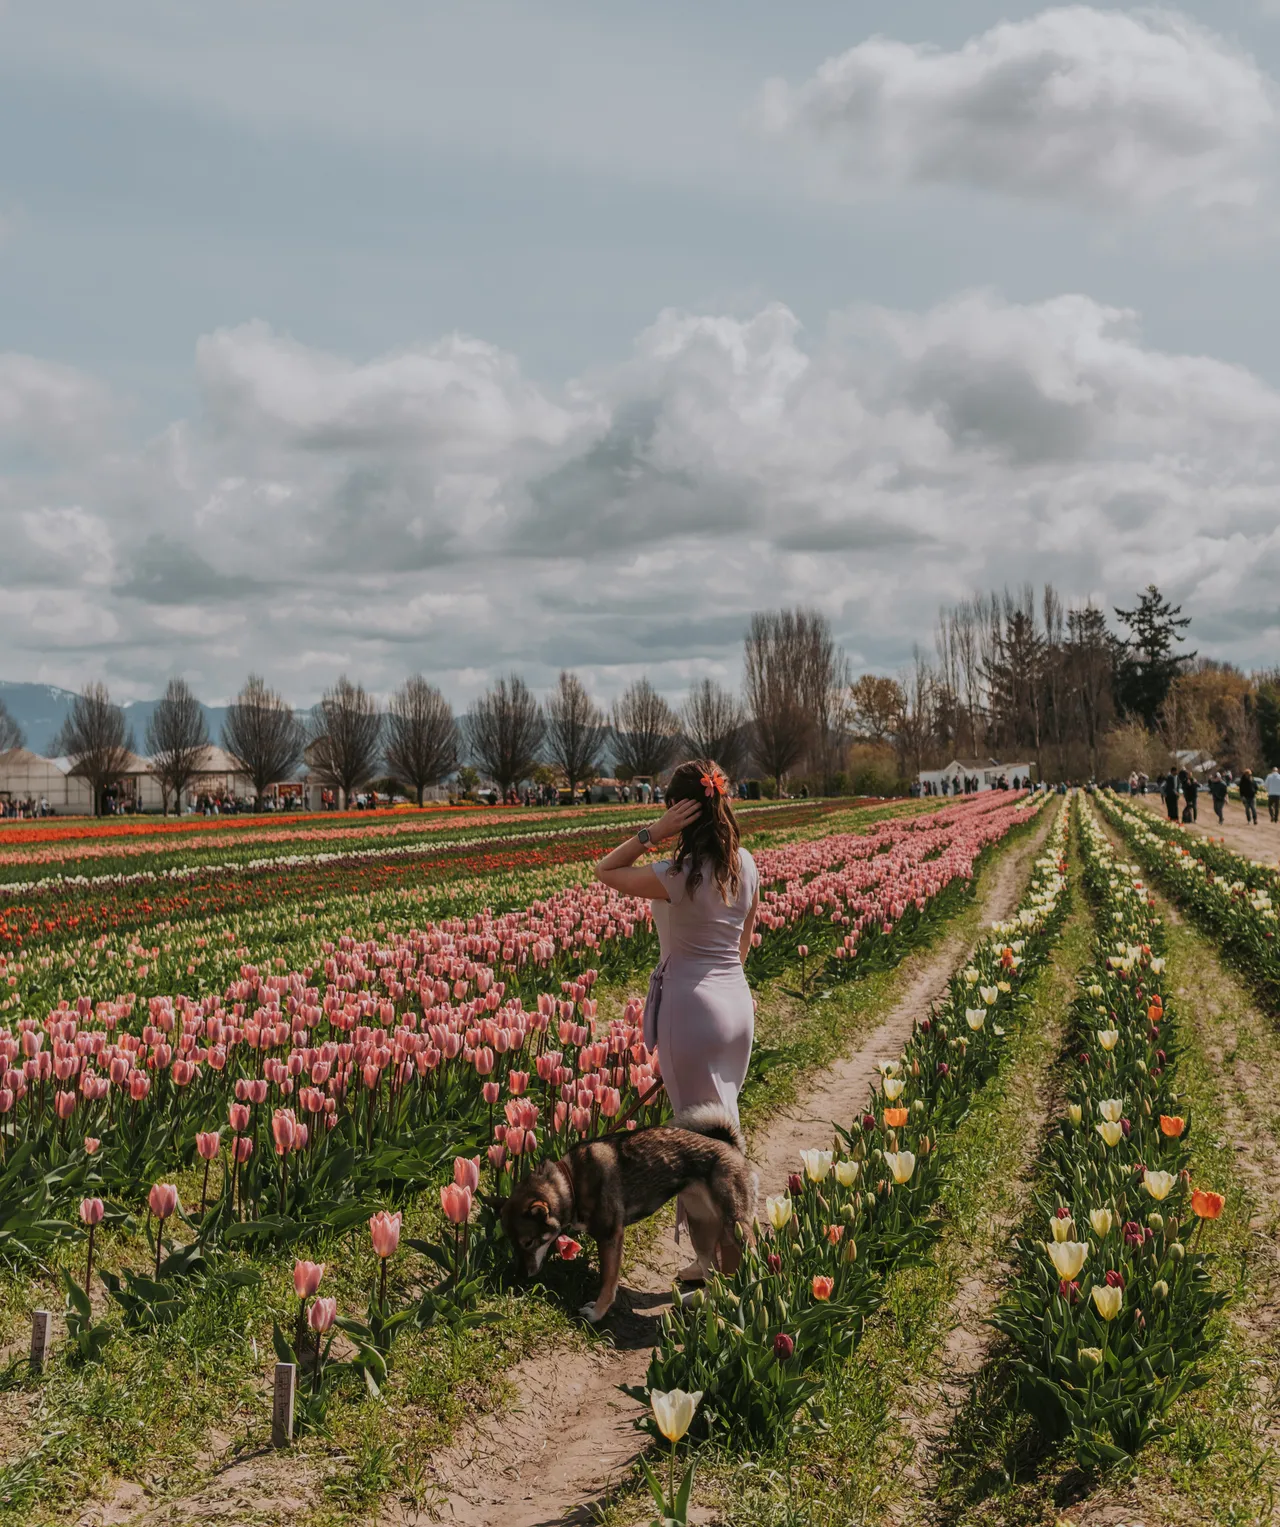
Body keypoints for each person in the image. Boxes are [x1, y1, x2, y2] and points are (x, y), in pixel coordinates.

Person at [594, 758, 760, 1282]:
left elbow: (605, 870)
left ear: (679, 815)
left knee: (695, 1143)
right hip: (736, 1004)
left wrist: (650, 834)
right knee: (723, 1127)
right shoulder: (746, 865)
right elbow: (743, 944)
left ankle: (720, 1258)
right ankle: (720, 1255)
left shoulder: (678, 874)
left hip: (692, 1008)